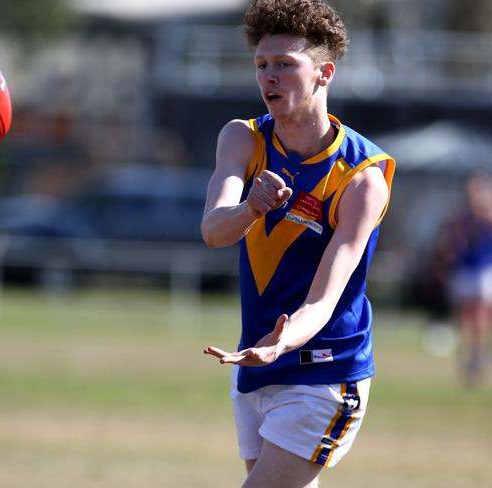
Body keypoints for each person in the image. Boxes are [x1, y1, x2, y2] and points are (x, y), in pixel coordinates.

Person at [200, 1, 395, 486]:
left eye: (286, 65)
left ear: (324, 73)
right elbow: (213, 231)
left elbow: (325, 298)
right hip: (256, 360)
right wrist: (251, 208)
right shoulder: (241, 139)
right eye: (262, 65)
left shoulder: (361, 179)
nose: (270, 77)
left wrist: (281, 343)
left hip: (325, 371)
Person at [445, 172, 492, 385]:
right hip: (464, 269)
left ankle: (477, 351)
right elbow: (452, 242)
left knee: (480, 312)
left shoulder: (485, 214)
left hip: (483, 269)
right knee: (465, 313)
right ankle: (469, 352)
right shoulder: (462, 216)